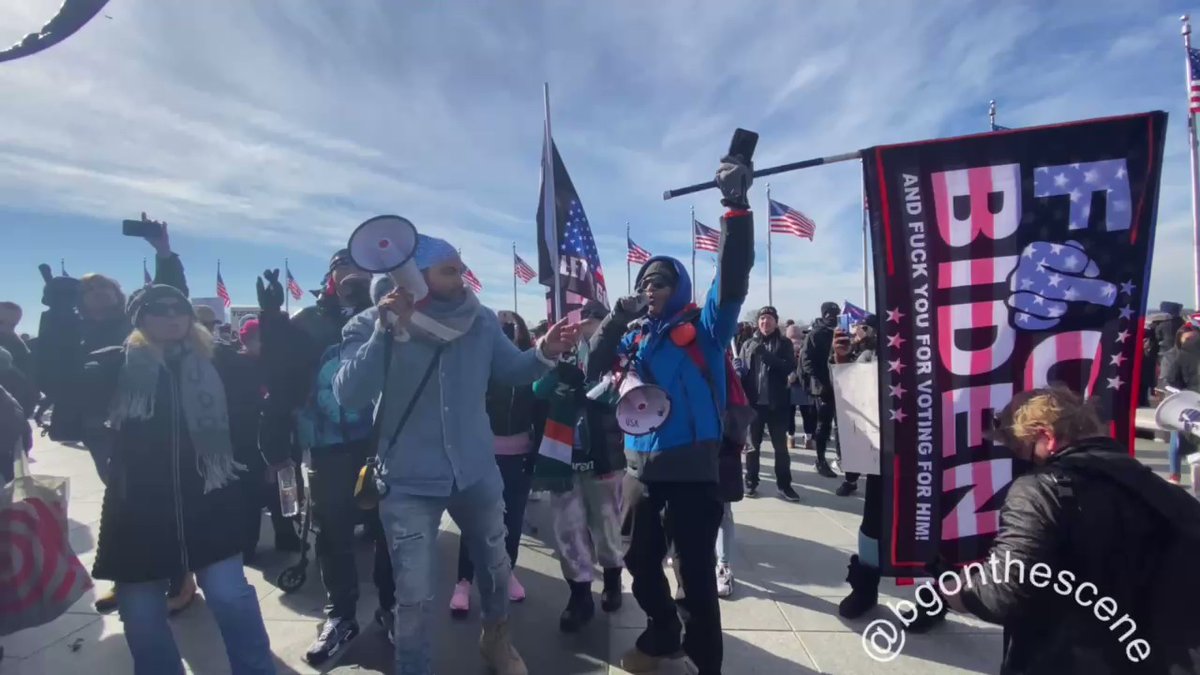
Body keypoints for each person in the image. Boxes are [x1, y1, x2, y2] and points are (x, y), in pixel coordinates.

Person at [333, 234, 580, 675]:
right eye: (450, 269)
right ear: (415, 277)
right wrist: (384, 332)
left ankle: (496, 640)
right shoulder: (371, 323)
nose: (462, 275)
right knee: (414, 595)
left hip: (477, 473)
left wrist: (545, 351)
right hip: (407, 480)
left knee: (496, 568)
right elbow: (349, 394)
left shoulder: (481, 320)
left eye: (460, 266)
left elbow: (512, 370)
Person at [588, 153, 755, 675]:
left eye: (658, 283)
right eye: (644, 284)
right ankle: (663, 632)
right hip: (641, 468)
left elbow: (731, 280)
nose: (649, 291)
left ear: (677, 287)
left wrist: (736, 207)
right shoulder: (633, 334)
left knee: (696, 576)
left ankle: (706, 665)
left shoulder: (705, 327)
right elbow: (591, 367)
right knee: (637, 559)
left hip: (691, 469)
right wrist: (616, 319)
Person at [83, 284, 274, 675]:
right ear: (138, 318)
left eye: (179, 309)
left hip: (210, 503)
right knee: (140, 612)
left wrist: (271, 317)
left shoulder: (222, 363)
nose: (172, 316)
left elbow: (276, 373)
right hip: (137, 510)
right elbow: (64, 397)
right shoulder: (113, 365)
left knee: (230, 596)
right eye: (158, 309)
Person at [942, 386, 1200, 673]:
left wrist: (962, 594)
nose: (1021, 459)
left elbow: (1005, 589)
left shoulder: (1039, 492)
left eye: (1019, 448)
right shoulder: (1172, 498)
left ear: (1046, 437)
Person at [255, 251, 394, 664]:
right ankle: (341, 616)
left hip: (384, 442)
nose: (353, 272)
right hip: (327, 445)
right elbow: (278, 379)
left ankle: (392, 608)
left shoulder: (388, 314)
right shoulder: (307, 321)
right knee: (332, 532)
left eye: (362, 266)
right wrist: (273, 320)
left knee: (391, 530)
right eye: (343, 266)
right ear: (331, 275)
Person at [529, 300, 626, 633]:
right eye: (584, 322)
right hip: (564, 460)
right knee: (568, 533)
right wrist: (558, 373)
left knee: (608, 529)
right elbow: (538, 391)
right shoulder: (560, 356)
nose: (588, 328)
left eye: (595, 322)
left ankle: (612, 579)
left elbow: (623, 400)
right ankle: (580, 595)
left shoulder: (618, 359)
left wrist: (597, 390)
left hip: (604, 460)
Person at [449, 310, 539, 616]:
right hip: (483, 455)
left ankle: (507, 572)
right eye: (501, 328)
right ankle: (463, 582)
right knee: (475, 522)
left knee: (511, 522)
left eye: (512, 326)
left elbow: (543, 407)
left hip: (521, 457)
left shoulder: (531, 366)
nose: (507, 332)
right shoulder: (479, 365)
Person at [216, 319, 302, 563]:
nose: (265, 345)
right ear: (246, 341)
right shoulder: (235, 367)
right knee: (250, 497)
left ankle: (287, 534)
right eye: (258, 339)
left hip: (283, 438)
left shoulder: (282, 367)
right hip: (249, 442)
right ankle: (247, 544)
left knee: (286, 492)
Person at [739, 306, 799, 501]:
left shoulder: (784, 344)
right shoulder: (748, 344)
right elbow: (741, 367)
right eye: (762, 318)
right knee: (752, 447)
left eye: (769, 318)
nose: (766, 322)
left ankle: (784, 485)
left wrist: (765, 354)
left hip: (777, 405)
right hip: (753, 405)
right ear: (758, 322)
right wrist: (737, 369)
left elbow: (787, 367)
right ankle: (751, 482)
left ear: (776, 321)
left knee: (780, 448)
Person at [834, 320, 877, 497]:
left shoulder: (876, 347)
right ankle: (850, 480)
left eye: (866, 327)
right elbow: (841, 370)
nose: (860, 330)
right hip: (857, 403)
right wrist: (840, 353)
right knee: (854, 445)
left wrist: (867, 340)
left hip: (876, 404)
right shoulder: (855, 347)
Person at [801, 302, 840, 478]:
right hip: (823, 387)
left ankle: (841, 458)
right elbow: (806, 362)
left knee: (840, 427)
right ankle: (820, 460)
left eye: (835, 314)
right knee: (823, 426)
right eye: (829, 314)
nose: (832, 317)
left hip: (841, 385)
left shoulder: (838, 332)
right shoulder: (816, 334)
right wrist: (820, 384)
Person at [1165, 324, 1200, 485]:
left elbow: (1171, 379)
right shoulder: (1173, 355)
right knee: (1178, 436)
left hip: (1185, 401)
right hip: (1185, 401)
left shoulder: (1179, 355)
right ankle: (1176, 472)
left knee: (1181, 436)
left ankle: (1190, 465)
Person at [786, 325, 816, 450]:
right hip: (805, 384)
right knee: (807, 414)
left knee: (789, 414)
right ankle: (808, 439)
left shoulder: (785, 346)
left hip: (790, 384)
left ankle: (791, 438)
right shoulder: (806, 345)